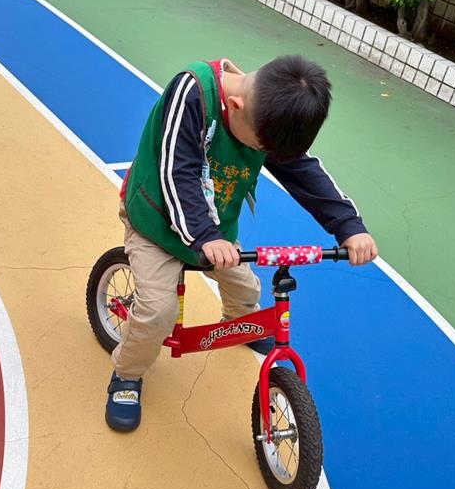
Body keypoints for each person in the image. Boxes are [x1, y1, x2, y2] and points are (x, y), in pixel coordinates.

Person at [106, 55, 378, 431]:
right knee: (156, 312)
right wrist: (204, 236)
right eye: (262, 147)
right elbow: (176, 172)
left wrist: (348, 226)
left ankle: (237, 321)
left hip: (212, 230)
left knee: (245, 288)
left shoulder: (265, 115)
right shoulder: (193, 94)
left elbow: (303, 172)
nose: (265, 155)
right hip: (156, 221)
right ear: (235, 106)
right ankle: (127, 375)